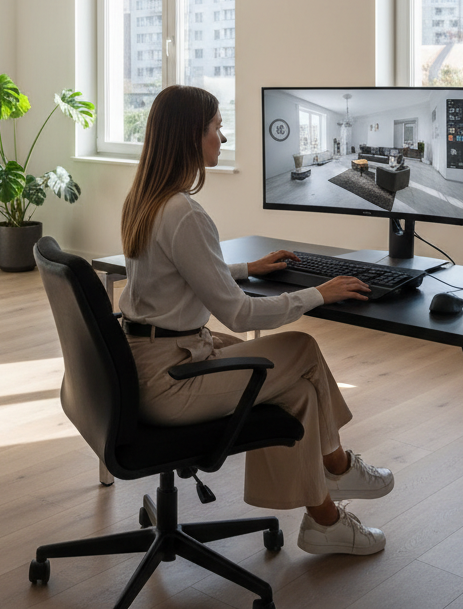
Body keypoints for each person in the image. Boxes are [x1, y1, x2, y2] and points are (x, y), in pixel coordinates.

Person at [119, 85, 394, 556]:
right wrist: (318, 293)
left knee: (300, 390)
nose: (222, 139)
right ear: (191, 135)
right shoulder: (184, 212)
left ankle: (323, 520)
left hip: (149, 359)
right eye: (216, 128)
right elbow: (240, 313)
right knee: (302, 348)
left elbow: (182, 271)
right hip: (170, 381)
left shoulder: (147, 200)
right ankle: (339, 464)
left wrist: (248, 268)